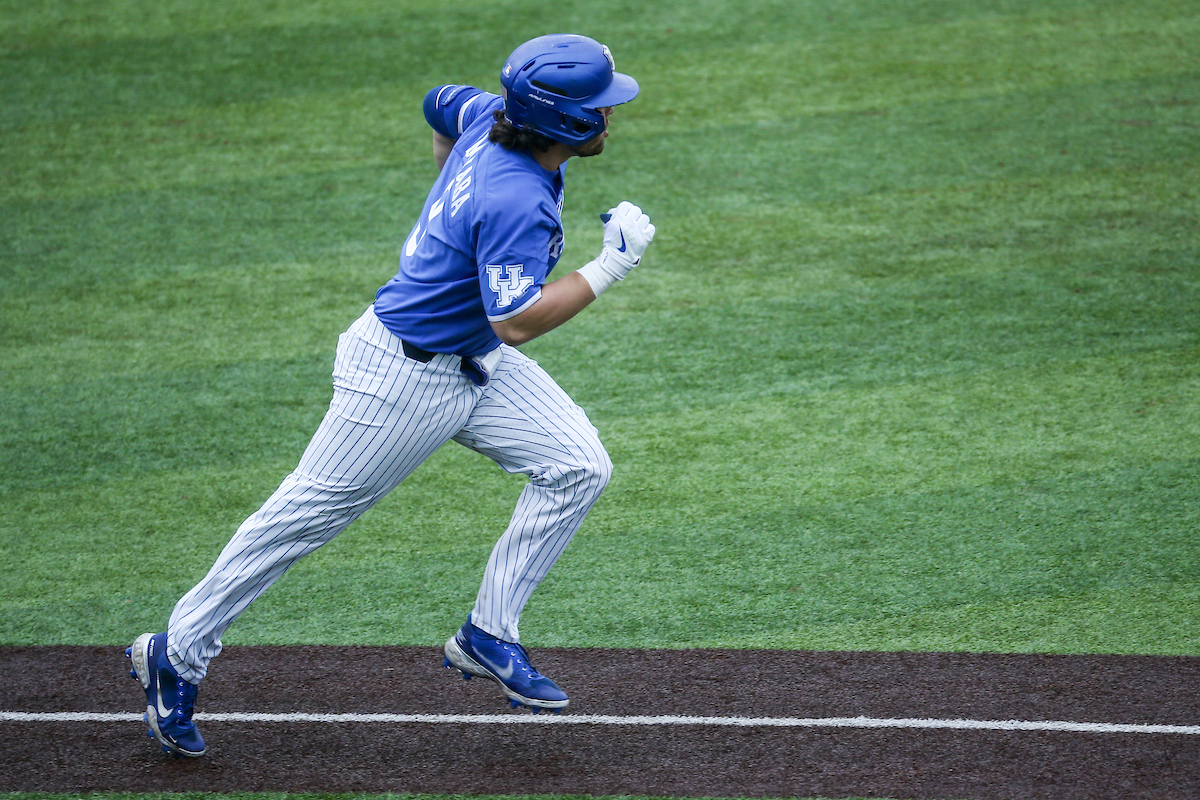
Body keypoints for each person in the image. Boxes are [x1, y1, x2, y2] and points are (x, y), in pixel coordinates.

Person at [125, 33, 655, 757]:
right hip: (401, 380)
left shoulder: (487, 117)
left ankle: (487, 633)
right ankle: (176, 650)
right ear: (563, 121)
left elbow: (439, 101)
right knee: (302, 518)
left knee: (577, 465)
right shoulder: (515, 200)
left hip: (473, 360)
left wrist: (447, 194)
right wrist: (610, 268)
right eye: (599, 107)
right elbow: (519, 319)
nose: (609, 116)